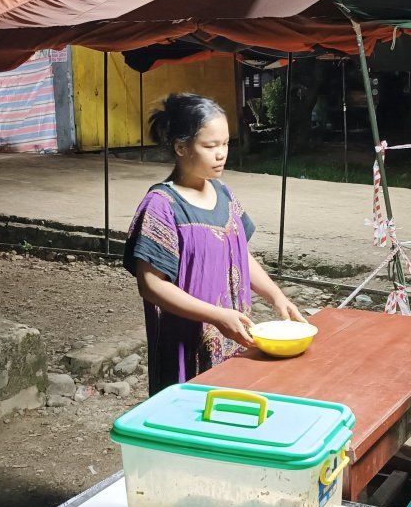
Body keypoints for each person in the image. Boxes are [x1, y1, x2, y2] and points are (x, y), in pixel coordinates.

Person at [124, 93, 305, 395]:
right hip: (186, 343)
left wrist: (276, 296)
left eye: (225, 144)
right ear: (181, 147)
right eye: (210, 146)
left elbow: (240, 254)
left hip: (232, 337)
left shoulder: (224, 194)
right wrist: (217, 316)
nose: (221, 154)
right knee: (190, 412)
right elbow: (151, 285)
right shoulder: (161, 205)